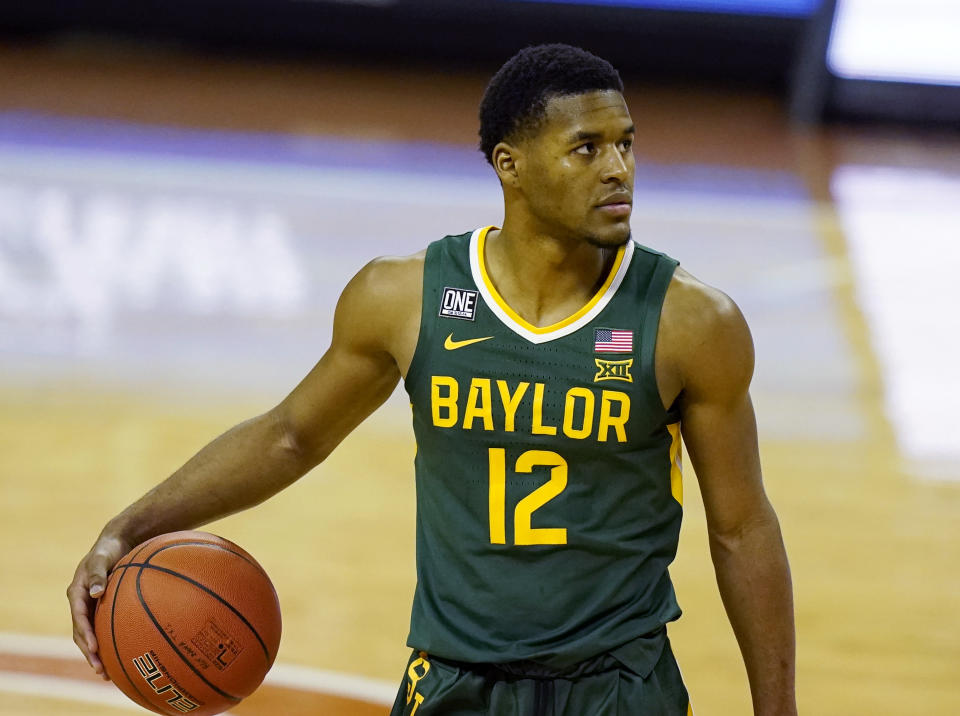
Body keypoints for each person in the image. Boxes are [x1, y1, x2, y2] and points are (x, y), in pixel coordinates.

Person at [68, 44, 797, 715]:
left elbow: (741, 528)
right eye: (587, 148)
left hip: (619, 686)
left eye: (626, 144)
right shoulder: (404, 298)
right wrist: (128, 528)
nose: (619, 169)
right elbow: (291, 435)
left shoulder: (690, 322)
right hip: (453, 683)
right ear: (510, 165)